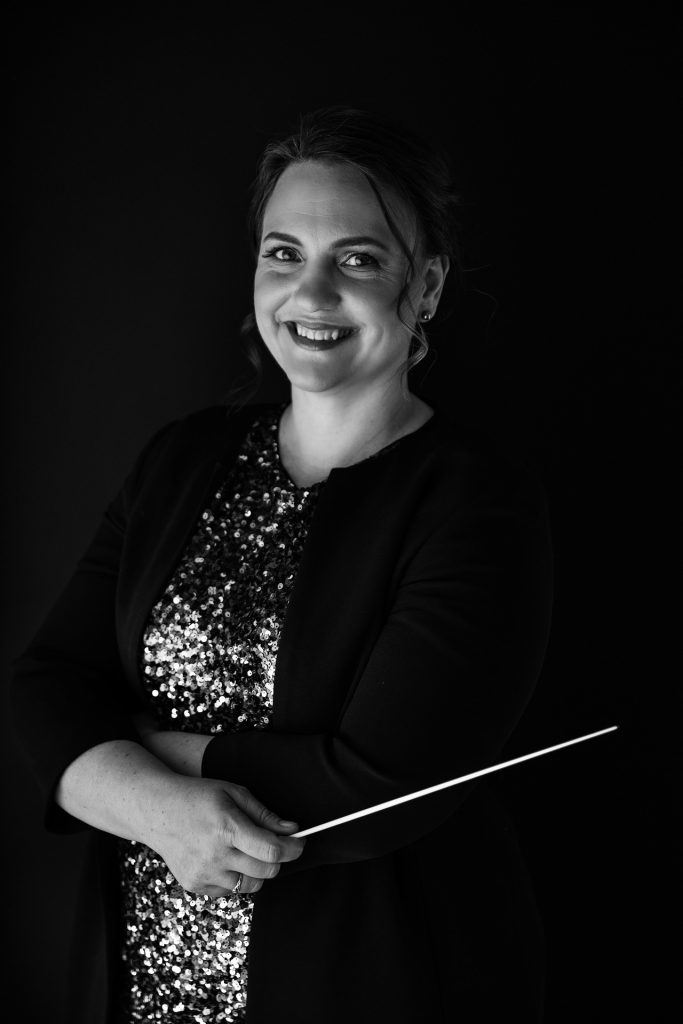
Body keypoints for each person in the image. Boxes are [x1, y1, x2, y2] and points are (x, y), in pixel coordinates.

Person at [11, 106, 554, 1023]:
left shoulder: (475, 500)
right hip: (140, 980)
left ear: (425, 286)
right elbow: (44, 685)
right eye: (283, 253)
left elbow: (381, 785)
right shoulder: (181, 459)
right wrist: (154, 806)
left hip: (373, 980)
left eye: (358, 259)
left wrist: (127, 753)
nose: (311, 292)